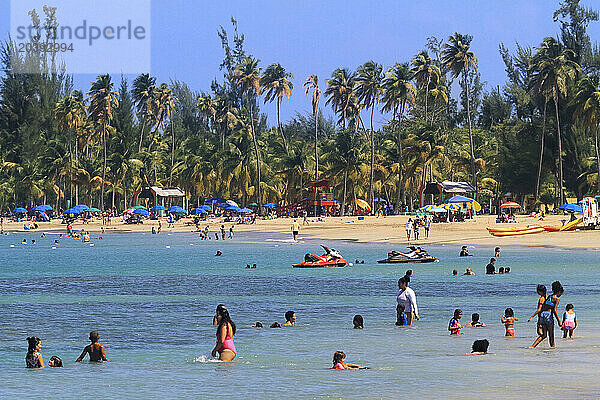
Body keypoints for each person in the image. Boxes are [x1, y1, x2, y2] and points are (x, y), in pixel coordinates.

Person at [530, 281, 564, 348]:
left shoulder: (549, 296)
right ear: (559, 291)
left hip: (543, 315)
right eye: (561, 293)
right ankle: (553, 350)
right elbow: (554, 310)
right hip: (548, 316)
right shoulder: (557, 299)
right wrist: (559, 321)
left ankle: (532, 346)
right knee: (551, 335)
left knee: (544, 335)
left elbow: (543, 307)